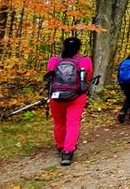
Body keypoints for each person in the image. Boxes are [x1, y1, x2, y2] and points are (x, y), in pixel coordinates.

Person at [47, 37, 93, 166]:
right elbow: (88, 77)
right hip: (77, 96)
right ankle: (68, 152)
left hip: (56, 97)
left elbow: (50, 77)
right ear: (79, 47)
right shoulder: (84, 60)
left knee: (59, 123)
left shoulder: (54, 60)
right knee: (73, 123)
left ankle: (61, 146)